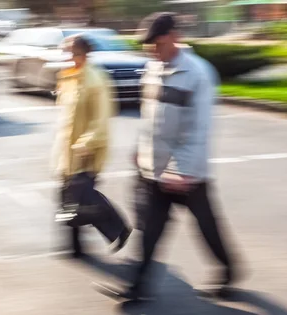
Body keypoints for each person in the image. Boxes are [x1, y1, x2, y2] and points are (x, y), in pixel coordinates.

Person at [97, 13, 239, 300]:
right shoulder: (152, 68)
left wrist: (181, 169)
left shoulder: (198, 73)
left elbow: (199, 129)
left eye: (157, 44)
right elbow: (151, 119)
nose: (152, 50)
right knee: (150, 231)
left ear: (174, 36)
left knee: (206, 227)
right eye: (148, 46)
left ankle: (228, 269)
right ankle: (138, 288)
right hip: (156, 170)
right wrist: (141, 149)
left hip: (187, 174)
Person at [52, 34, 132, 258]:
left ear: (84, 54)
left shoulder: (95, 79)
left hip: (86, 150)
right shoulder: (69, 77)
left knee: (82, 196)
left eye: (72, 53)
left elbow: (102, 117)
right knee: (69, 198)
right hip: (67, 150)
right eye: (66, 52)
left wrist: (86, 143)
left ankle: (118, 228)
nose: (68, 57)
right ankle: (75, 248)